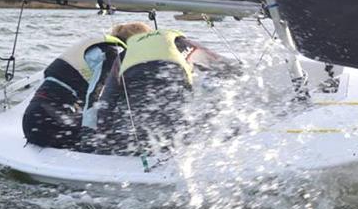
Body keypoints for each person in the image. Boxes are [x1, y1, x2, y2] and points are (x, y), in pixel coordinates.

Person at [94, 24, 234, 154]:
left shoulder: (123, 56)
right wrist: (243, 75)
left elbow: (107, 101)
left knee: (144, 132)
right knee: (181, 128)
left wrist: (103, 140)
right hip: (173, 96)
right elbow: (216, 63)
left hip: (139, 114)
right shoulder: (174, 41)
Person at [21, 22, 150, 149]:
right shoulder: (111, 54)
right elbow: (95, 96)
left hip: (35, 119)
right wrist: (89, 135)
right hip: (47, 123)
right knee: (118, 138)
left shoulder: (101, 47)